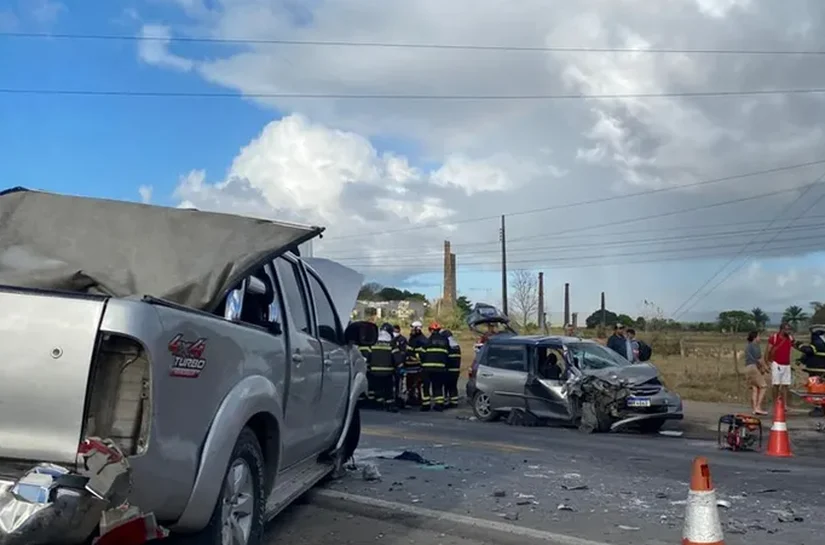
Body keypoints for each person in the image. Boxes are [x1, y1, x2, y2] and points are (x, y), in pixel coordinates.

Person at [370, 323, 400, 412]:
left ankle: (378, 403)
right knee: (388, 389)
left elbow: (367, 355)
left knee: (377, 388)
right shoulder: (391, 343)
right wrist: (400, 366)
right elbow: (397, 358)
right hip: (387, 372)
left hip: (374, 372)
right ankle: (389, 404)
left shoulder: (373, 341)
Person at [420, 321, 449, 412]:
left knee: (426, 386)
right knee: (438, 386)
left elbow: (421, 353)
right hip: (440, 368)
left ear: (431, 330)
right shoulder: (445, 341)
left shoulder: (427, 340)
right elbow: (447, 354)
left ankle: (426, 405)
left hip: (427, 368)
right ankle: (439, 405)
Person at [766, 321, 795, 408]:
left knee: (785, 385)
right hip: (777, 363)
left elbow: (794, 345)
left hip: (787, 364)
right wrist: (767, 362)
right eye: (787, 329)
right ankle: (776, 403)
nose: (788, 331)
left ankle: (784, 404)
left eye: (789, 329)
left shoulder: (790, 338)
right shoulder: (774, 338)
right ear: (782, 329)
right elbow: (768, 350)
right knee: (776, 384)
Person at [745, 330, 768, 415]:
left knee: (754, 388)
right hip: (754, 367)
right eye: (758, 336)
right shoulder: (756, 346)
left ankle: (755, 408)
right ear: (755, 337)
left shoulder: (748, 346)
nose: (759, 338)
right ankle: (758, 407)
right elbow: (759, 359)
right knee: (763, 386)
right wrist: (766, 368)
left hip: (747, 367)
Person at [404, 321, 427, 407]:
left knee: (417, 384)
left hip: (417, 366)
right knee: (410, 383)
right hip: (410, 365)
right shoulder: (413, 338)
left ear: (418, 329)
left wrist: (414, 355)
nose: (411, 330)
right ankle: (411, 397)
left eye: (413, 328)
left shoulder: (422, 340)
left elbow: (421, 353)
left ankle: (419, 398)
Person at [442, 329, 462, 408]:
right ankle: (454, 402)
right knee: (453, 386)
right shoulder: (456, 345)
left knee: (447, 386)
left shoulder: (447, 345)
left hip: (448, 370)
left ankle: (447, 401)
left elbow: (445, 357)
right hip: (456, 370)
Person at [392, 324, 408, 408]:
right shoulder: (391, 339)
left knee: (399, 383)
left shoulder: (402, 339)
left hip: (400, 364)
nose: (395, 333)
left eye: (397, 331)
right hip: (392, 365)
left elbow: (404, 352)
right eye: (394, 331)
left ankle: (398, 398)